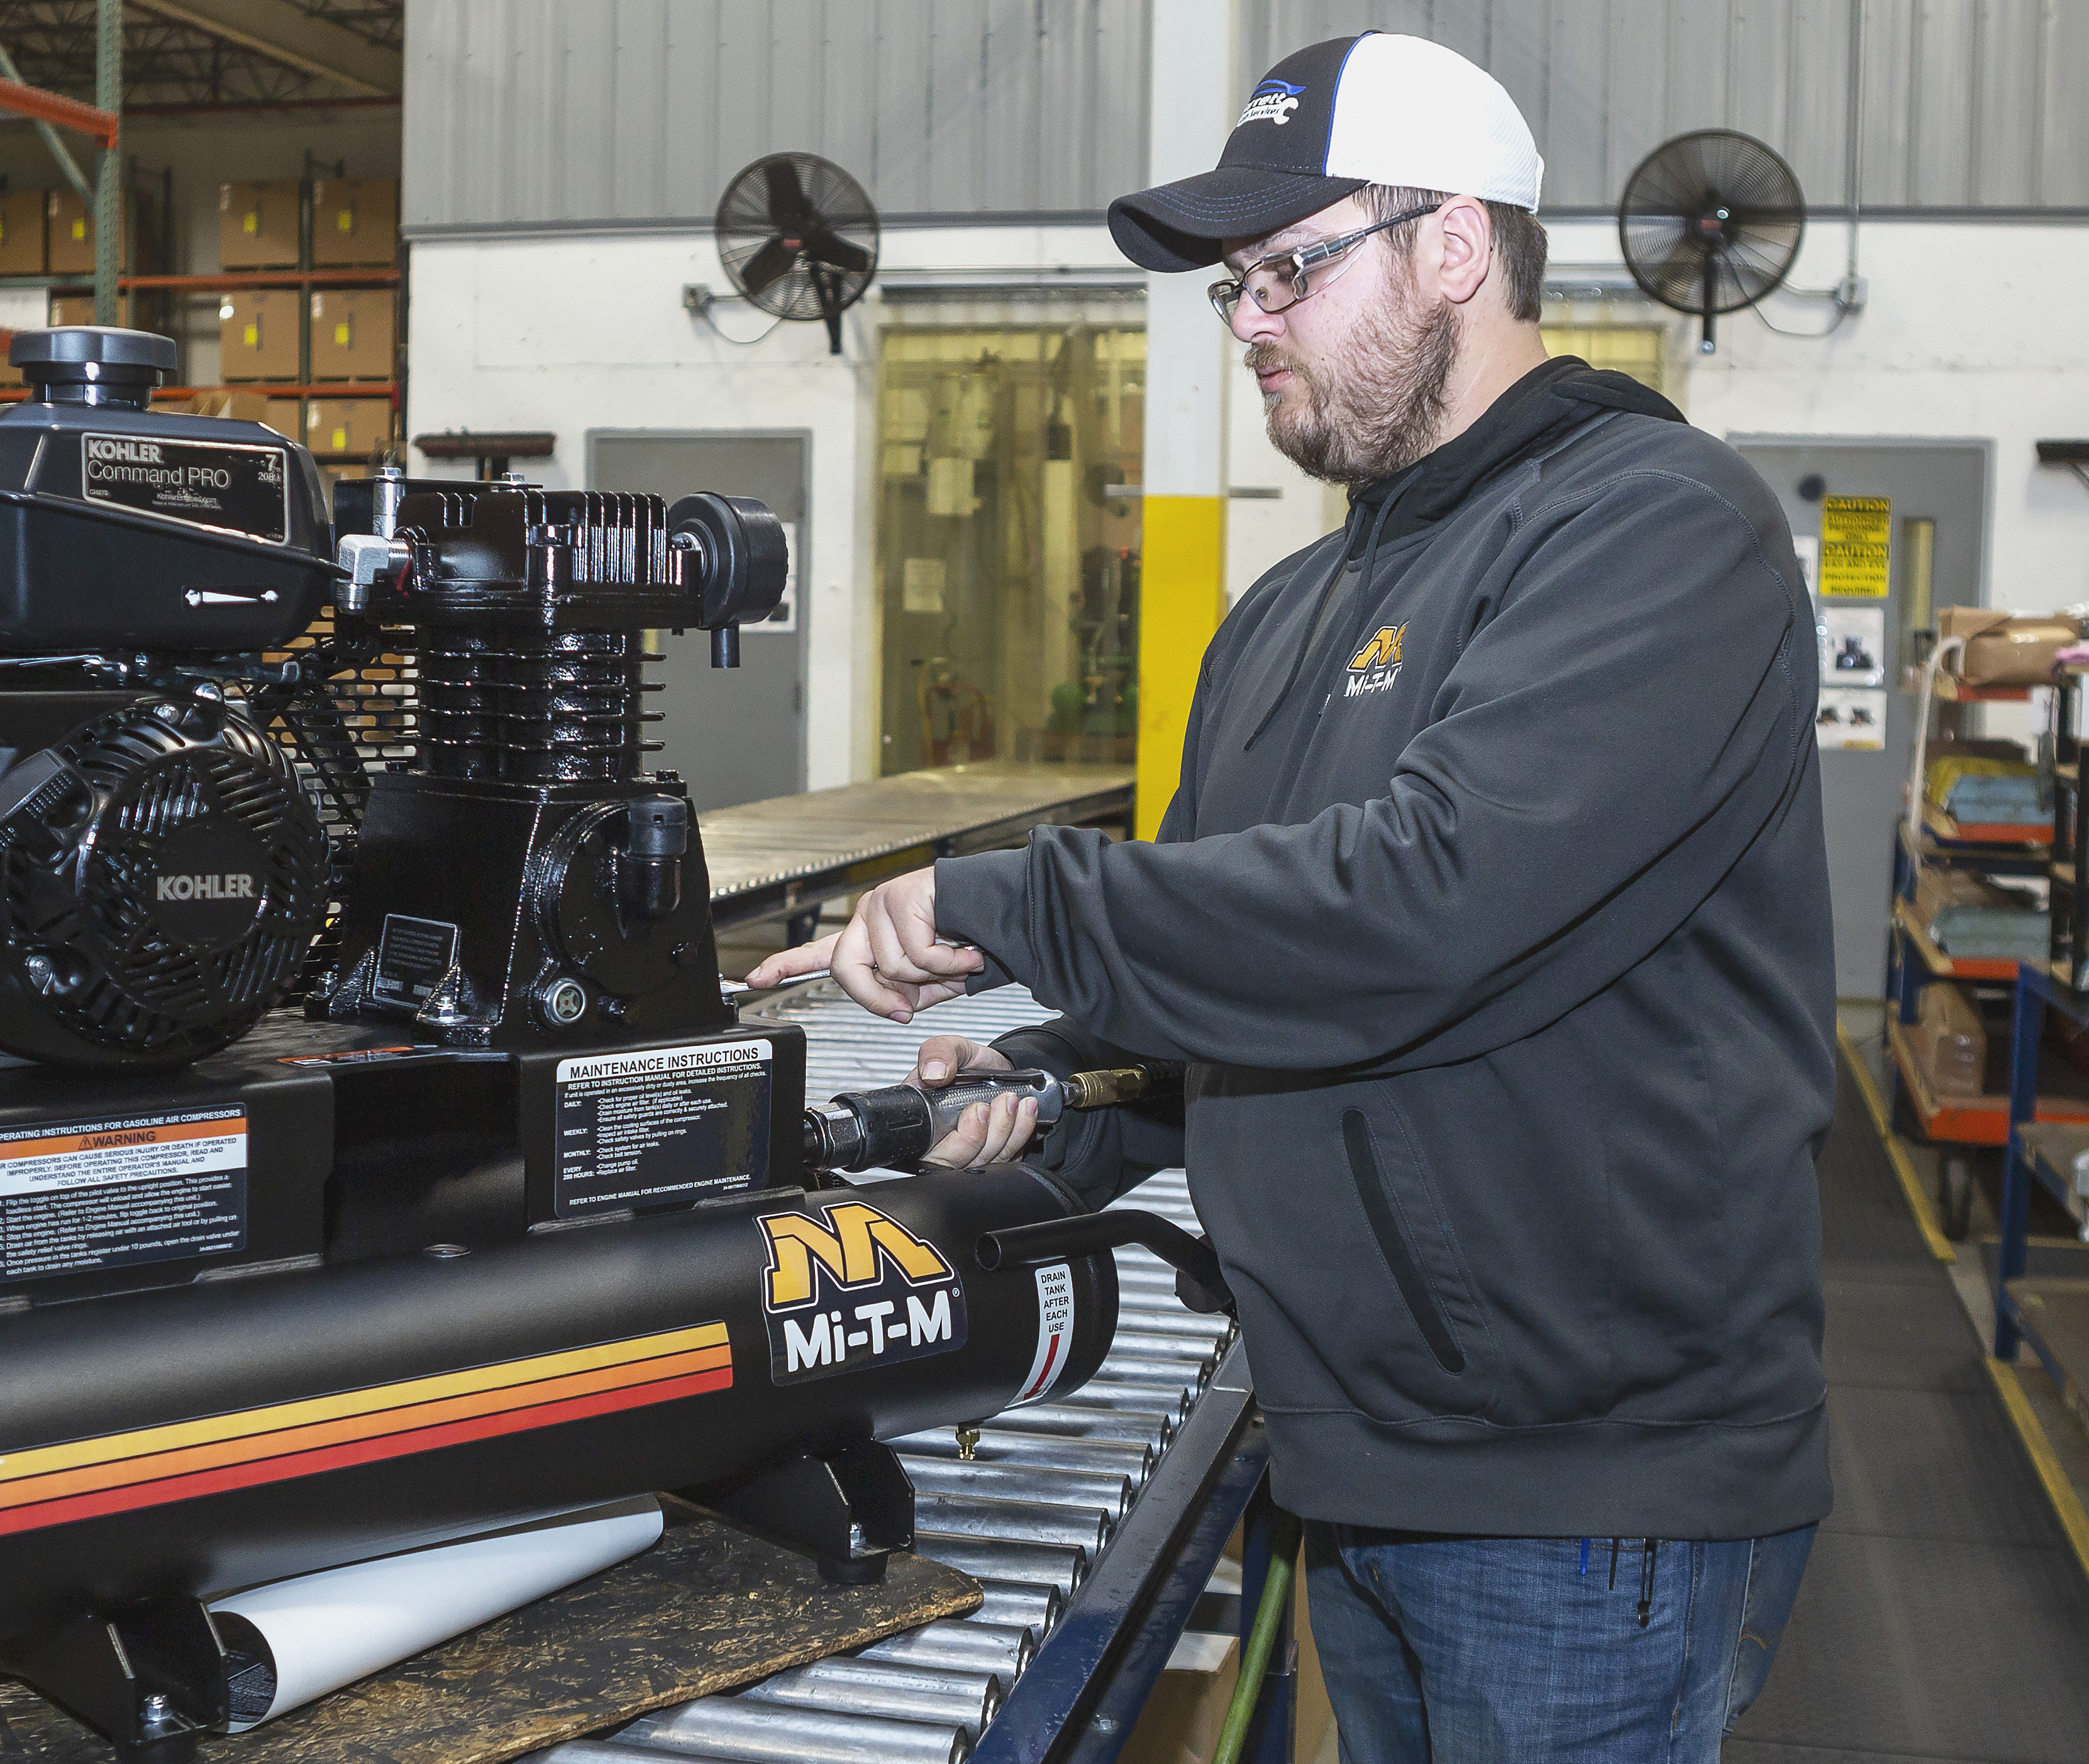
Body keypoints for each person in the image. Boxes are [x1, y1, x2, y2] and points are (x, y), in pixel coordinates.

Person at [746, 32, 1831, 1761]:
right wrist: (1055, 1094)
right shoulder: (1284, 615)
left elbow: (1421, 907)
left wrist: (1013, 896)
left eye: (1286, 271)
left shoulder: (1651, 527)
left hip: (1581, 1476)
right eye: (1233, 289)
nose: (1246, 321)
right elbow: (1237, 979)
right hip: (1357, 1436)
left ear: (1453, 250)